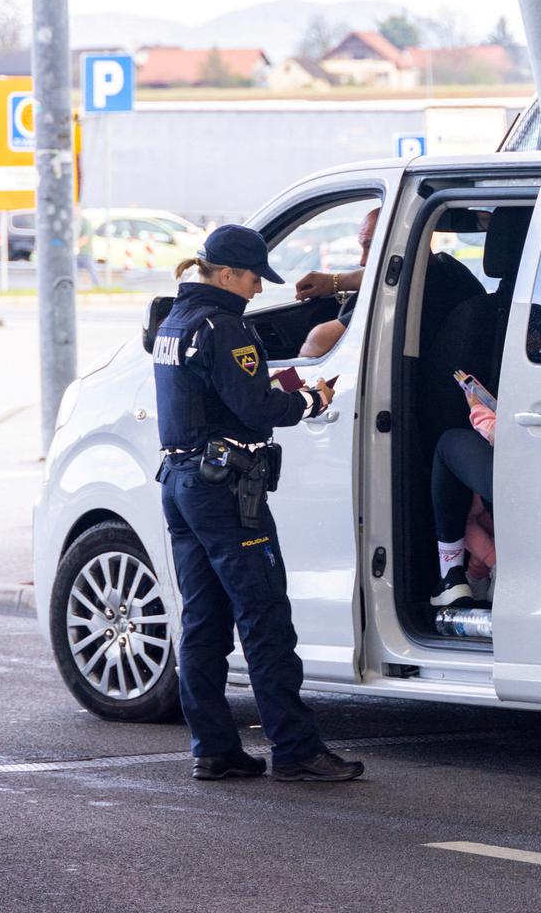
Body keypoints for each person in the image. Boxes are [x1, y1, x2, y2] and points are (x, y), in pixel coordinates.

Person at [154, 224, 364, 783]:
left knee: (203, 619)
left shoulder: (174, 320)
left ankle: (215, 749)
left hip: (181, 481)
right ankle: (296, 750)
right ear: (225, 275)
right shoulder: (225, 327)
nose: (255, 289)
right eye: (251, 278)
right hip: (225, 490)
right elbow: (254, 408)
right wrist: (309, 399)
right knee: (264, 615)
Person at [428, 306, 541, 607]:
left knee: (448, 444)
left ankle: (451, 574)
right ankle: (475, 576)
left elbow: (501, 435)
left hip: (521, 473)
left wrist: (477, 405)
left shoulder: (528, 373)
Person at [291, 206, 378, 358]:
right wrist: (334, 282)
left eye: (370, 246)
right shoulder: (425, 275)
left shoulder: (410, 289)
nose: (362, 261)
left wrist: (292, 374)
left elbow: (321, 340)